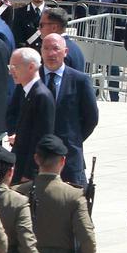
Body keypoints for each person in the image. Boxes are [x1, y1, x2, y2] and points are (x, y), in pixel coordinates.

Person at [37, 34, 98, 187]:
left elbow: (91, 118)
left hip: (69, 156)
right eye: (46, 48)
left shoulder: (79, 80)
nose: (51, 53)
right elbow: (14, 112)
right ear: (41, 51)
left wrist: (73, 137)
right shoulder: (32, 77)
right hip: (36, 157)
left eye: (56, 49)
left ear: (65, 52)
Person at [7, 48, 54, 183]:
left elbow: (43, 138)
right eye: (10, 67)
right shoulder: (27, 91)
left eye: (15, 67)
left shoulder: (41, 96)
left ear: (31, 67)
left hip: (27, 173)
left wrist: (29, 174)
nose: (11, 71)